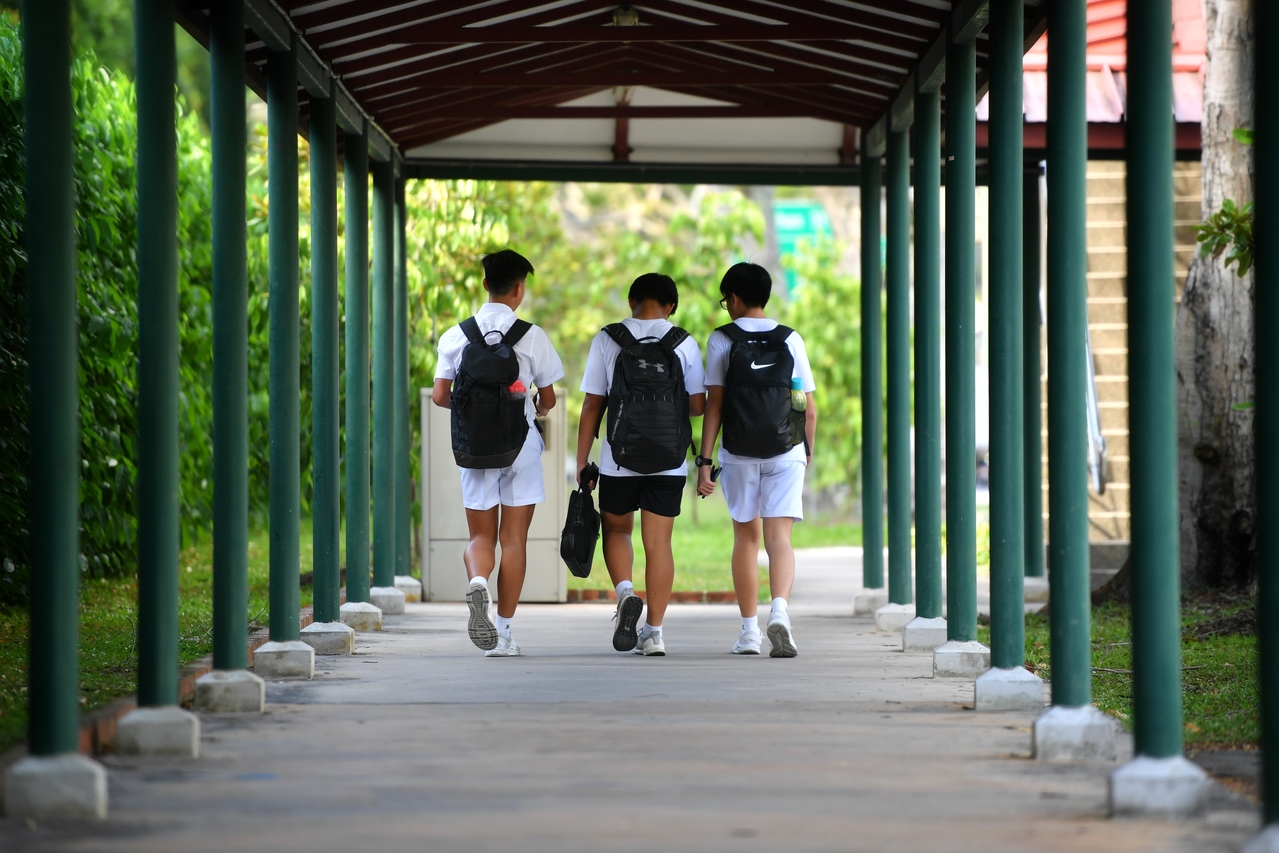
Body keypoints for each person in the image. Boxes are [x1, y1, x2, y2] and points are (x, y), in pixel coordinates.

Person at [431, 249, 565, 657]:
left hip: (474, 448)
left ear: (486, 283)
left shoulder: (456, 336)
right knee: (514, 540)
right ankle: (503, 633)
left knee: (481, 536)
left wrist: (474, 411)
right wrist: (534, 406)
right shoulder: (532, 336)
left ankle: (477, 584)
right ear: (519, 288)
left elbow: (439, 395)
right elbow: (549, 399)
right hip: (520, 447)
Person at [576, 273, 707, 656]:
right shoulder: (683, 343)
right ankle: (654, 634)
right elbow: (697, 406)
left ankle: (626, 594)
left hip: (619, 459)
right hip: (669, 461)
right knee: (659, 544)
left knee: (617, 530)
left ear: (631, 300)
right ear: (670, 306)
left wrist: (583, 460)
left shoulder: (608, 339)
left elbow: (592, 405)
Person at [696, 262, 817, 657]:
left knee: (746, 539)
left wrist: (704, 460)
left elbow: (715, 405)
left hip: (739, 452)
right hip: (787, 449)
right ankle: (779, 612)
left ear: (733, 298)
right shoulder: (790, 338)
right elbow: (805, 405)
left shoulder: (722, 339)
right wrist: (803, 451)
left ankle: (749, 633)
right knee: (780, 538)